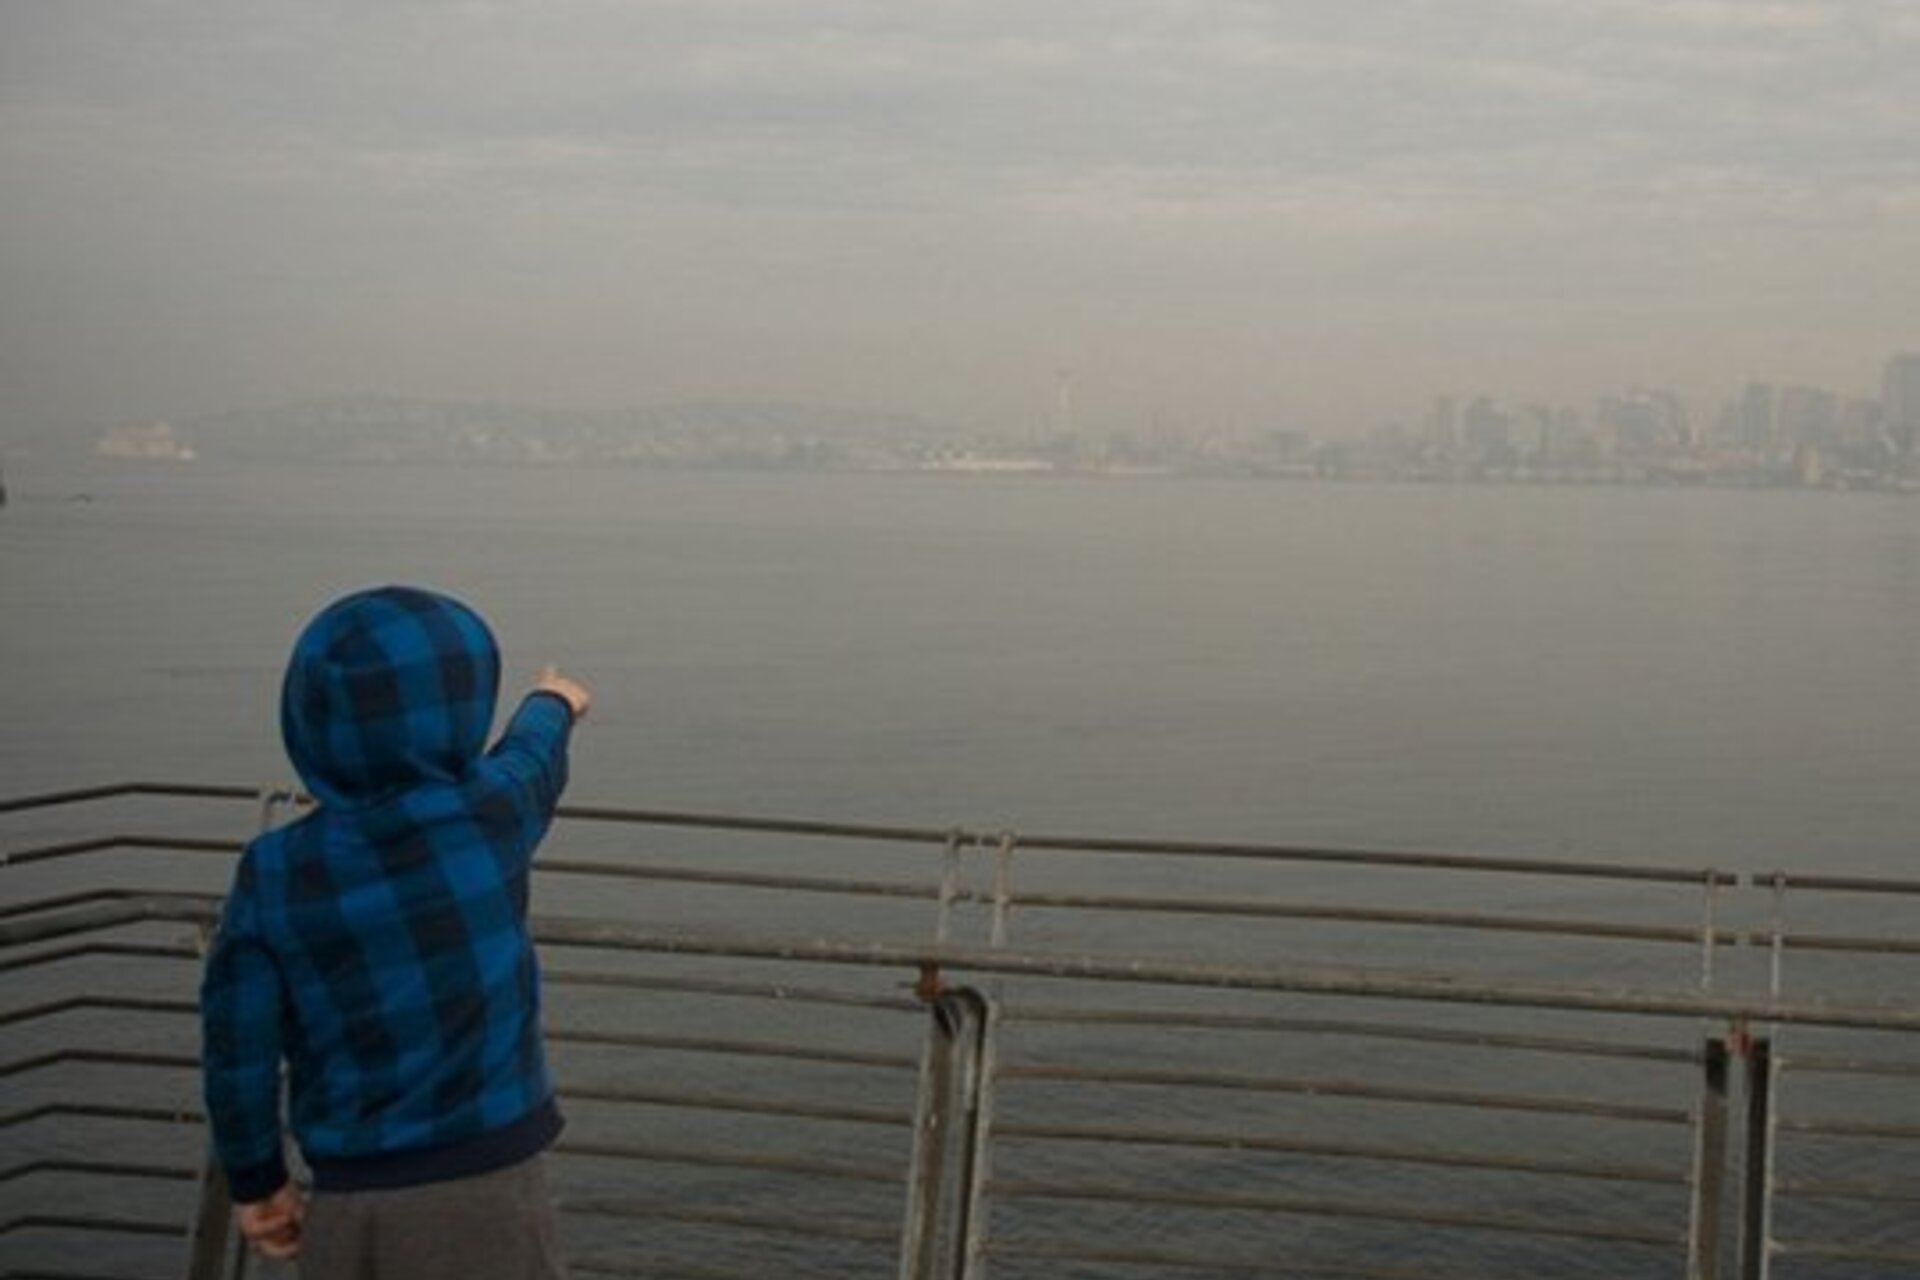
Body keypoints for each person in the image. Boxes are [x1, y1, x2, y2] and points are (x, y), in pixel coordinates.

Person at [200, 585, 590, 1278]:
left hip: (351, 1191)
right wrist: (554, 701)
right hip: (492, 1183)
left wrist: (259, 1183)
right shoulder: (491, 814)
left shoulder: (276, 871)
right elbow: (532, 755)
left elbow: (239, 1051)